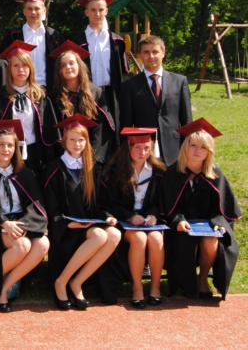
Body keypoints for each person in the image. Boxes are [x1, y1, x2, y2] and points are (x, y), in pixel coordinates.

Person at [43, 114, 121, 309]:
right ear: (64, 141)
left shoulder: (93, 167)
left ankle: (77, 281)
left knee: (114, 234)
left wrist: (108, 217)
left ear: (86, 141)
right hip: (66, 229)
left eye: (81, 140)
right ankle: (61, 281)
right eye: (72, 140)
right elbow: (51, 206)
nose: (77, 144)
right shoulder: (54, 168)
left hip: (88, 225)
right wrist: (66, 222)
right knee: (100, 236)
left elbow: (101, 203)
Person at [0, 120, 49, 312]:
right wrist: (4, 223)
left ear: (16, 148)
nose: (6, 149)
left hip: (21, 223)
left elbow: (36, 206)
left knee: (43, 244)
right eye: (1, 145)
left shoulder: (25, 174)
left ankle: (4, 288)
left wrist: (22, 224)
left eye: (10, 145)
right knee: (22, 245)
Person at [162, 118, 240, 300]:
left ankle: (202, 278)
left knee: (211, 239)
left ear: (209, 152)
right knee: (185, 240)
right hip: (182, 227)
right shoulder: (173, 173)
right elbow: (167, 206)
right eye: (193, 145)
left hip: (208, 225)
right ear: (185, 147)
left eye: (203, 147)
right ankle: (186, 285)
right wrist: (178, 220)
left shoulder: (215, 174)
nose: (197, 151)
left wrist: (218, 223)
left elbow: (224, 210)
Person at [100, 127, 166, 308]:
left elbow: (161, 201)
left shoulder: (158, 171)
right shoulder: (115, 171)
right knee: (139, 238)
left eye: (146, 148)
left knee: (156, 239)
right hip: (124, 220)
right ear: (128, 147)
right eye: (137, 147)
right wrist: (129, 216)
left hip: (148, 221)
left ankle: (155, 287)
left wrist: (153, 215)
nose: (142, 152)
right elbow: (109, 203)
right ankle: (137, 288)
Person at [120, 35, 192, 166]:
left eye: (155, 52)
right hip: (144, 150)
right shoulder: (129, 85)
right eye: (146, 52)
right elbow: (127, 123)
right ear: (140, 55)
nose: (151, 56)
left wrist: (187, 148)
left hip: (174, 149)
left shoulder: (179, 81)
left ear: (163, 53)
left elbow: (187, 119)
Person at [0, 40, 59, 170]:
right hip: (8, 151)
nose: (21, 70)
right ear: (9, 69)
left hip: (35, 151)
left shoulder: (40, 95)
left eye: (25, 65)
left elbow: (50, 126)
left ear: (31, 68)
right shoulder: (1, 95)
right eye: (16, 66)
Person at [50, 40, 116, 165]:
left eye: (71, 63)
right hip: (65, 157)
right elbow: (54, 130)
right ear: (59, 71)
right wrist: (66, 156)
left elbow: (101, 127)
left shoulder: (95, 92)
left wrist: (94, 156)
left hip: (92, 155)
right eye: (63, 65)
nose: (68, 67)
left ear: (79, 65)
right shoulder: (55, 96)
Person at [77, 0, 127, 131]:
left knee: (114, 130)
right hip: (88, 92)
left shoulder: (117, 41)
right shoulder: (79, 41)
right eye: (93, 10)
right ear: (86, 12)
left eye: (101, 9)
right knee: (92, 131)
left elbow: (123, 72)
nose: (97, 14)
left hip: (112, 93)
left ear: (106, 11)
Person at [0, 0, 65, 90]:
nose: (33, 12)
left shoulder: (54, 36)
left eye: (37, 8)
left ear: (44, 10)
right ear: (24, 11)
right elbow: (4, 63)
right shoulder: (13, 36)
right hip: (21, 88)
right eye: (29, 9)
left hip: (48, 88)